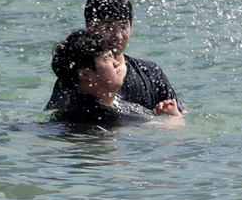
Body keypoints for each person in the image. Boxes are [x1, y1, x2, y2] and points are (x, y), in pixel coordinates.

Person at [44, 0, 179, 115]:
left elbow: (180, 117)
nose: (118, 36)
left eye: (123, 26)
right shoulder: (77, 78)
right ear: (91, 27)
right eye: (109, 27)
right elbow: (58, 122)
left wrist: (172, 116)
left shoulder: (151, 73)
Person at [50, 28, 183, 127]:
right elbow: (169, 131)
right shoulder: (101, 117)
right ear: (85, 74)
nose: (116, 63)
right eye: (107, 58)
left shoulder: (71, 112)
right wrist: (174, 116)